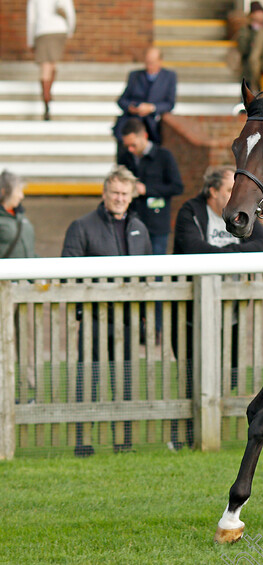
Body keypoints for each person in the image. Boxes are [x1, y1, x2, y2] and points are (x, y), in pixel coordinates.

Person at [169, 166, 263, 450]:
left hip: (231, 313)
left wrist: (224, 256)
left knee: (231, 372)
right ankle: (187, 437)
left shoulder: (241, 212)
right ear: (212, 192)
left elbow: (262, 244)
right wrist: (234, 256)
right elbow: (191, 248)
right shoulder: (190, 211)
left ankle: (221, 431)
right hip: (191, 313)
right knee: (192, 372)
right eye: (228, 189)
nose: (234, 195)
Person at [61, 165, 153, 457]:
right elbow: (68, 273)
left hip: (128, 320)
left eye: (124, 193)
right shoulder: (81, 226)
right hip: (93, 321)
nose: (119, 198)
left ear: (130, 197)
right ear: (104, 193)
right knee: (87, 380)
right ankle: (82, 441)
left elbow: (149, 272)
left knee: (124, 380)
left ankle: (123, 442)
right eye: (114, 192)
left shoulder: (140, 228)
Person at [117, 118, 184, 255]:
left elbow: (177, 187)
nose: (130, 149)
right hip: (132, 220)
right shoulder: (125, 158)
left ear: (144, 136)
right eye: (127, 146)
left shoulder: (164, 156)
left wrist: (147, 189)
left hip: (157, 224)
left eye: (133, 145)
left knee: (156, 268)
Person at [113, 47, 178, 146]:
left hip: (152, 124)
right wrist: (132, 107)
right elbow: (121, 100)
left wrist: (152, 108)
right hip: (132, 121)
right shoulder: (135, 76)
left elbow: (170, 104)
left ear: (160, 61)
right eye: (147, 62)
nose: (149, 66)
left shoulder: (169, 77)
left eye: (152, 62)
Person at [27, 0, 75, 120]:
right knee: (53, 65)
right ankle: (49, 93)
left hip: (42, 30)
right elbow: (70, 13)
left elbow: (31, 19)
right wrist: (69, 31)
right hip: (59, 30)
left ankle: (46, 98)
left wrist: (30, 41)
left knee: (45, 68)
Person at [0, 171, 36, 258]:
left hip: (28, 270)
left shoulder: (21, 216)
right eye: (18, 191)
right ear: (4, 192)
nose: (21, 196)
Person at [237, 1, 263, 89]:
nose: (262, 15)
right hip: (249, 72)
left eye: (262, 13)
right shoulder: (246, 31)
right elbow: (243, 49)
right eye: (259, 12)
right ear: (252, 15)